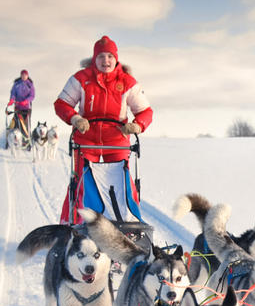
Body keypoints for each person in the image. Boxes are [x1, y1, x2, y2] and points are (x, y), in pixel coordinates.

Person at [54, 35, 153, 223]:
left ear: (116, 59)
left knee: (122, 184)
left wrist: (137, 125)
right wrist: (75, 118)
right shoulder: (81, 79)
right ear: (94, 59)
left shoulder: (127, 82)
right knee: (81, 183)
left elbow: (145, 111)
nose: (105, 61)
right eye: (101, 56)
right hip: (86, 139)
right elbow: (61, 104)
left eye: (109, 56)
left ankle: (128, 223)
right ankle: (71, 224)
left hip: (117, 141)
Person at [7, 69, 35, 146]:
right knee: (16, 123)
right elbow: (13, 93)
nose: (24, 76)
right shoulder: (16, 84)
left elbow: (32, 95)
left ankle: (26, 141)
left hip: (26, 108)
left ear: (27, 76)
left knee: (26, 125)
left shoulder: (30, 84)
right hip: (17, 107)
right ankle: (13, 139)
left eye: (25, 75)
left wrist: (26, 101)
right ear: (21, 75)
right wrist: (12, 99)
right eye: (22, 75)